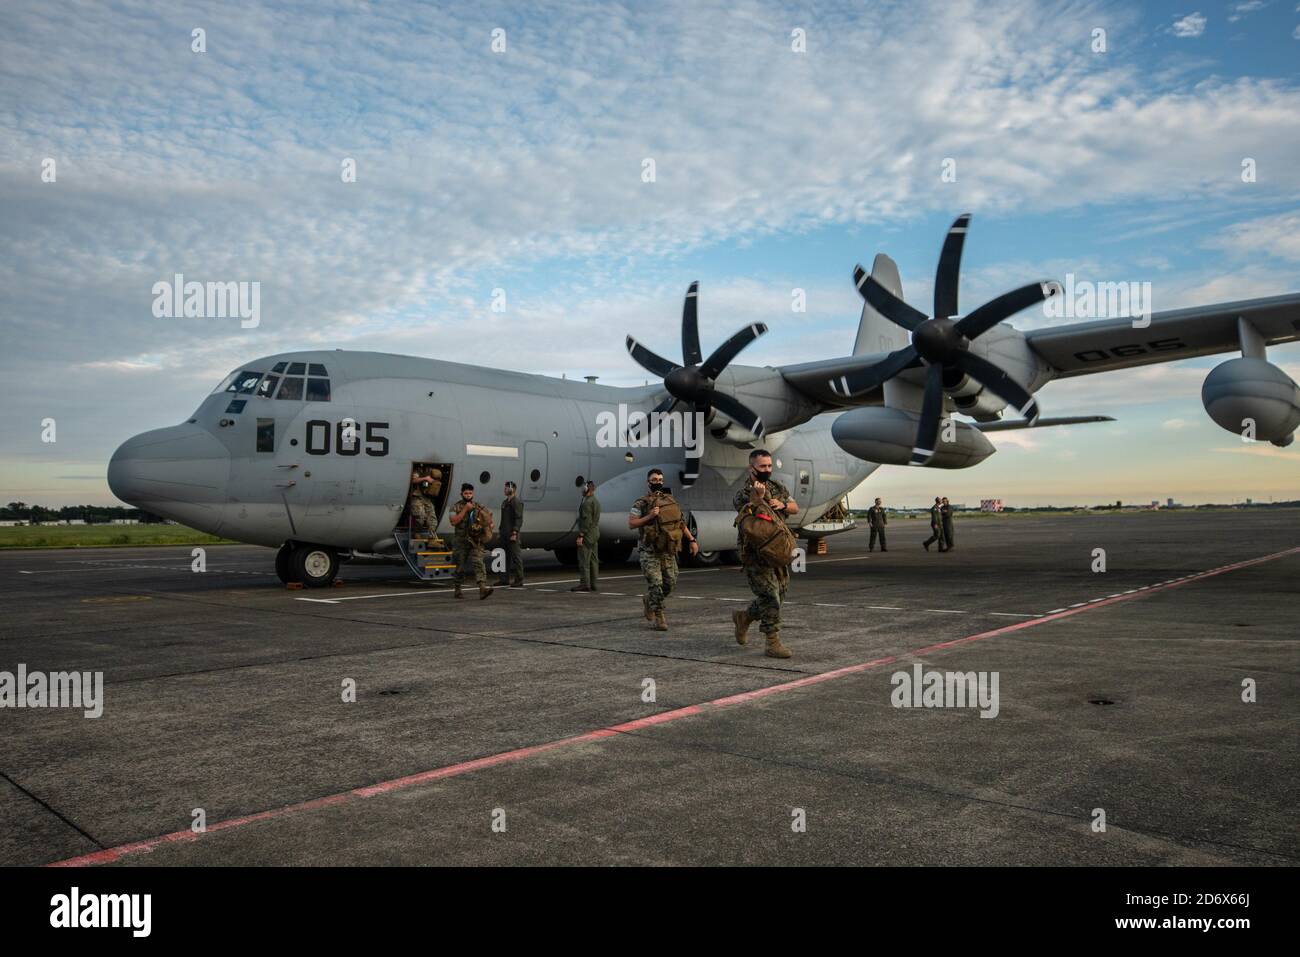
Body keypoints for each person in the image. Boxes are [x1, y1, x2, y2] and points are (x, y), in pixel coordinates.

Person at [731, 449, 799, 658]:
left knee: (779, 595)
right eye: (762, 466)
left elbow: (795, 507)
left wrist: (783, 504)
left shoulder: (777, 487)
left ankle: (744, 617)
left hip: (778, 551)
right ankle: (772, 642)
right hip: (756, 554)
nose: (767, 470)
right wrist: (758, 499)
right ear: (751, 468)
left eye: (769, 466)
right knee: (770, 597)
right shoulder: (743, 494)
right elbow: (748, 520)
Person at [628, 468, 698, 631]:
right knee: (656, 584)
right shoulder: (641, 503)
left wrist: (692, 540)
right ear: (648, 482)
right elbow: (631, 523)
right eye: (654, 480)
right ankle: (659, 616)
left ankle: (649, 600)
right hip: (649, 551)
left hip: (667, 549)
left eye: (660, 480)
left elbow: (680, 523)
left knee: (670, 583)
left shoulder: (669, 501)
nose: (657, 482)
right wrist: (650, 516)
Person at [449, 483, 494, 599]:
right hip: (461, 541)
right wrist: (465, 509)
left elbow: (489, 520)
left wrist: (487, 525)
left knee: (478, 562)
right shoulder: (455, 507)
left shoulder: (478, 506)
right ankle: (457, 589)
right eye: (466, 493)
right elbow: (453, 521)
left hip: (475, 540)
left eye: (470, 493)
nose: (468, 495)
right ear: (461, 494)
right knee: (460, 566)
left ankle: (482, 588)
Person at [572, 480, 601, 592]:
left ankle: (584, 584)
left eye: (583, 489)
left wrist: (581, 535)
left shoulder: (587, 503)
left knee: (584, 560)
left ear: (587, 489)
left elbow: (586, 521)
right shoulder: (596, 501)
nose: (581, 491)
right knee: (594, 560)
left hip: (587, 534)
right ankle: (594, 584)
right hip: (595, 533)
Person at [498, 480, 524, 587]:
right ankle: (504, 579)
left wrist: (515, 532)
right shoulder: (505, 502)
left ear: (512, 489)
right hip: (504, 533)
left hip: (512, 534)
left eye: (506, 488)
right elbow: (503, 519)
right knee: (503, 557)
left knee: (516, 557)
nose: (504, 490)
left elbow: (519, 518)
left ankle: (519, 579)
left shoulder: (516, 502)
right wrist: (500, 531)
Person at [408, 465, 441, 534]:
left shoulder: (433, 471)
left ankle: (432, 535)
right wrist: (425, 478)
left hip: (427, 498)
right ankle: (416, 533)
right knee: (420, 517)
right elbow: (413, 480)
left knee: (432, 519)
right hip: (417, 497)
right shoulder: (419, 470)